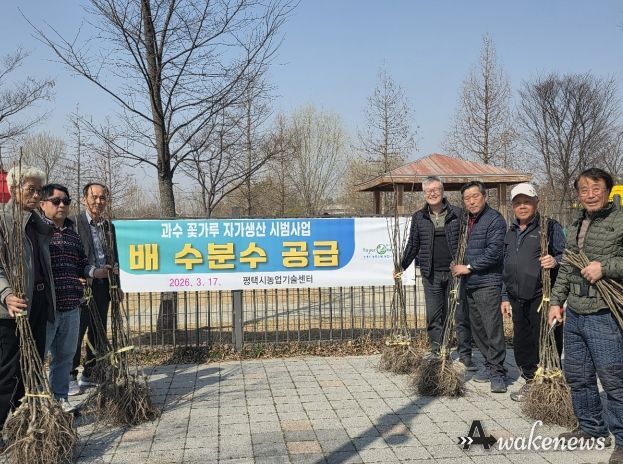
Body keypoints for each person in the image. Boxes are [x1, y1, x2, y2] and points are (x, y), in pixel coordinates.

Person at [549, 168, 623, 461]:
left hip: (604, 313)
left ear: (608, 191)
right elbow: (567, 267)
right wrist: (556, 301)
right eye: (584, 190)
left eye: (596, 189)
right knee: (578, 376)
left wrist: (604, 267)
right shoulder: (576, 221)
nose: (590, 195)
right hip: (576, 313)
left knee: (614, 379)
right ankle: (592, 429)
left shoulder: (620, 220)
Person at [39, 184, 109, 411]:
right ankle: (37, 403)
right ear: (43, 204)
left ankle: (61, 399)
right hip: (46, 307)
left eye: (65, 201)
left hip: (71, 304)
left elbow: (81, 264)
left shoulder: (71, 233)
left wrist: (95, 272)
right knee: (39, 356)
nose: (62, 205)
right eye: (56, 201)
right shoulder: (36, 231)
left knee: (65, 356)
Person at [0, 165, 55, 445]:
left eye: (39, 190)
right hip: (12, 309)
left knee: (31, 368)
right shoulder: (4, 221)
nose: (36, 195)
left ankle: (24, 423)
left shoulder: (37, 223)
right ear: (13, 189)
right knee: (8, 371)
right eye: (30, 189)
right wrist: (7, 294)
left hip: (39, 303)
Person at [400, 176, 475, 369]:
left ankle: (465, 354)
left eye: (436, 190)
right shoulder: (419, 217)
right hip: (431, 275)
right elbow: (413, 244)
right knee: (434, 317)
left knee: (460, 315)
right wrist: (401, 266)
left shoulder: (458, 214)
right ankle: (439, 352)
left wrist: (465, 264)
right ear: (424, 194)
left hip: (455, 275)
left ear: (442, 191)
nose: (432, 193)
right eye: (428, 191)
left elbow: (468, 242)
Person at [500, 183, 565, 401]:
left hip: (542, 297)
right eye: (517, 203)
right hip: (517, 297)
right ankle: (530, 380)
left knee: (545, 340)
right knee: (522, 343)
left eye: (527, 202)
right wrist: (504, 296)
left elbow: (567, 255)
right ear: (512, 206)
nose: (522, 206)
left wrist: (555, 260)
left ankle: (549, 382)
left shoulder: (549, 227)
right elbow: (505, 266)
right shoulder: (510, 232)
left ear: (536, 202)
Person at [451, 180, 507, 393]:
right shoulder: (466, 220)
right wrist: (456, 263)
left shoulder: (494, 219)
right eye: (467, 198)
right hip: (469, 283)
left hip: (487, 282)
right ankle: (489, 364)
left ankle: (498, 372)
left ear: (484, 196)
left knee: (492, 328)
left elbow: (495, 252)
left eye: (475, 196)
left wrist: (469, 267)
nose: (471, 201)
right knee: (478, 328)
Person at [70, 182, 120, 395]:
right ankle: (69, 375)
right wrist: (75, 276)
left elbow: (114, 257)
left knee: (98, 331)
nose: (98, 201)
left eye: (102, 198)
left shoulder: (108, 227)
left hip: (103, 285)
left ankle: (90, 373)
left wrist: (117, 285)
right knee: (76, 331)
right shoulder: (74, 223)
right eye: (94, 197)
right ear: (84, 199)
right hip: (82, 285)